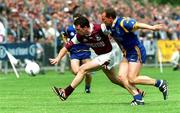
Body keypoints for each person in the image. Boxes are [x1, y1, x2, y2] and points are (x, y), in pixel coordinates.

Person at [49, 16, 144, 105]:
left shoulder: (100, 28)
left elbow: (114, 32)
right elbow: (66, 47)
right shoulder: (79, 36)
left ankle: (66, 93)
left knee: (82, 69)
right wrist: (58, 58)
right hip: (102, 57)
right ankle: (137, 92)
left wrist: (124, 45)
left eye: (78, 29)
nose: (76, 32)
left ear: (85, 27)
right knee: (114, 80)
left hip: (108, 55)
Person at [101, 8, 168, 105]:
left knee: (132, 79)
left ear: (110, 18)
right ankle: (138, 99)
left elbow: (137, 24)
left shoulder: (122, 23)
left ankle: (160, 83)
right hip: (126, 53)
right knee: (121, 77)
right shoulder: (109, 26)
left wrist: (152, 27)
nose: (102, 21)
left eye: (104, 19)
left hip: (136, 51)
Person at [61, 14, 92, 93]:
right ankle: (80, 77)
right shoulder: (70, 28)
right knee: (75, 72)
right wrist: (66, 44)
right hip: (74, 52)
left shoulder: (86, 28)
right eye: (75, 19)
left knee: (88, 73)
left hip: (85, 51)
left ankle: (87, 87)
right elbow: (64, 35)